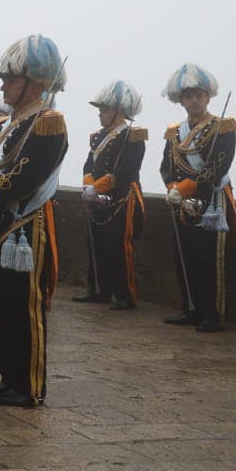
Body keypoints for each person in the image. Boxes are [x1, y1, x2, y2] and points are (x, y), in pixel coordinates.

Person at [0, 36, 69, 408]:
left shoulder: (48, 123)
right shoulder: (4, 125)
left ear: (35, 83)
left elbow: (27, 175)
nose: (3, 86)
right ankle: (9, 377)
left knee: (25, 307)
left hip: (26, 225)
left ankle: (29, 384)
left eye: (10, 79)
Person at [159, 63, 236, 333]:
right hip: (182, 202)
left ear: (208, 97)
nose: (193, 101)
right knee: (186, 258)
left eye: (198, 95)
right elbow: (166, 167)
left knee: (209, 260)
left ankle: (212, 313)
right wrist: (176, 192)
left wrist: (186, 191)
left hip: (212, 202)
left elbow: (217, 170)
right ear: (180, 100)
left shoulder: (222, 128)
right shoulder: (175, 132)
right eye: (188, 96)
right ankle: (190, 307)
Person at [75, 81, 147, 311]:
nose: (101, 115)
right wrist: (89, 187)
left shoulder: (132, 136)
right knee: (95, 244)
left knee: (118, 246)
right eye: (101, 110)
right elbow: (90, 164)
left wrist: (97, 188)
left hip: (122, 198)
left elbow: (126, 170)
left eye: (105, 110)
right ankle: (99, 290)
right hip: (96, 198)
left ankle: (125, 294)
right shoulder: (98, 137)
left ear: (120, 112)